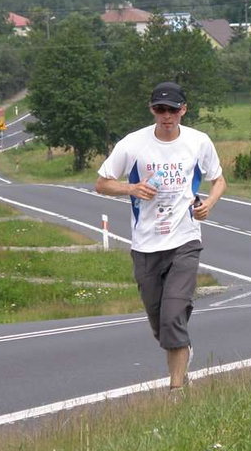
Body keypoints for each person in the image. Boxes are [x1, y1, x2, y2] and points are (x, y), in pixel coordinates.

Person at [95, 81, 227, 394]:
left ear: (184, 110)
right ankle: (181, 347)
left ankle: (176, 390)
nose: (166, 116)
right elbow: (101, 183)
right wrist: (131, 188)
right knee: (160, 323)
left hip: (184, 240)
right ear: (152, 110)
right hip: (145, 245)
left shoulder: (198, 141)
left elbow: (219, 179)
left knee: (172, 317)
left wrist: (209, 202)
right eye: (160, 109)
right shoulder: (133, 143)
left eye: (173, 110)